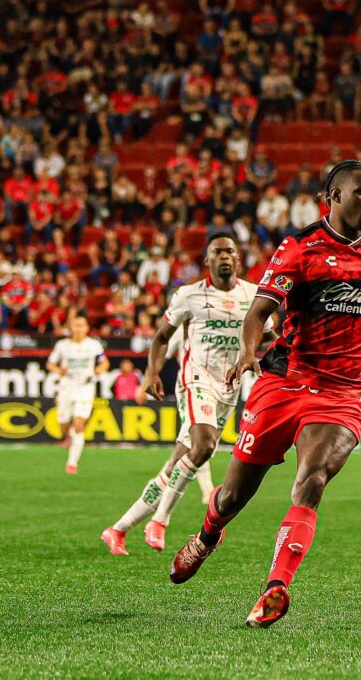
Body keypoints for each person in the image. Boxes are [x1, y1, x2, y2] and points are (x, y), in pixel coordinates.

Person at [167, 160, 361, 629]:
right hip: (285, 381)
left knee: (311, 480)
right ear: (332, 196)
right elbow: (258, 313)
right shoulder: (299, 249)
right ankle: (208, 535)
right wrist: (248, 353)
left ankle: (275, 587)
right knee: (231, 497)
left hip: (340, 393)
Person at [102, 234, 274, 555]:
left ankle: (118, 529)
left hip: (228, 388)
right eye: (217, 252)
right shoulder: (189, 295)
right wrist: (152, 373)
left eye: (230, 252)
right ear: (207, 260)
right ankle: (160, 520)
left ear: (238, 259)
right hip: (195, 379)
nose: (224, 257)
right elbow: (161, 337)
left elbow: (269, 336)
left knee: (177, 464)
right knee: (205, 445)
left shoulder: (254, 295)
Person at [46, 317, 110, 474]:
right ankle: (69, 437)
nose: (79, 329)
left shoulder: (93, 345)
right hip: (67, 387)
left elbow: (104, 363)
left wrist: (96, 371)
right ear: (71, 327)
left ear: (87, 328)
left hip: (85, 387)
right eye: (76, 326)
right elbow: (50, 364)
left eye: (82, 326)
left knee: (79, 424)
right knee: (63, 427)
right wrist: (60, 371)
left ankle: (72, 463)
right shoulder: (62, 346)